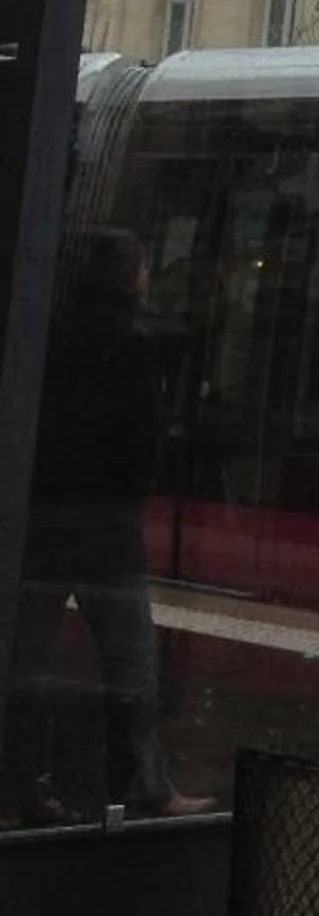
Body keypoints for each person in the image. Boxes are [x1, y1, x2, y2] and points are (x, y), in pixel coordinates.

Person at [3, 227, 207, 824]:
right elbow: (142, 442)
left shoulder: (49, 332)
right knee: (131, 664)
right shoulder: (136, 343)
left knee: (25, 666)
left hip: (41, 519)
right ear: (130, 275)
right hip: (106, 529)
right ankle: (149, 786)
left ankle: (11, 793)